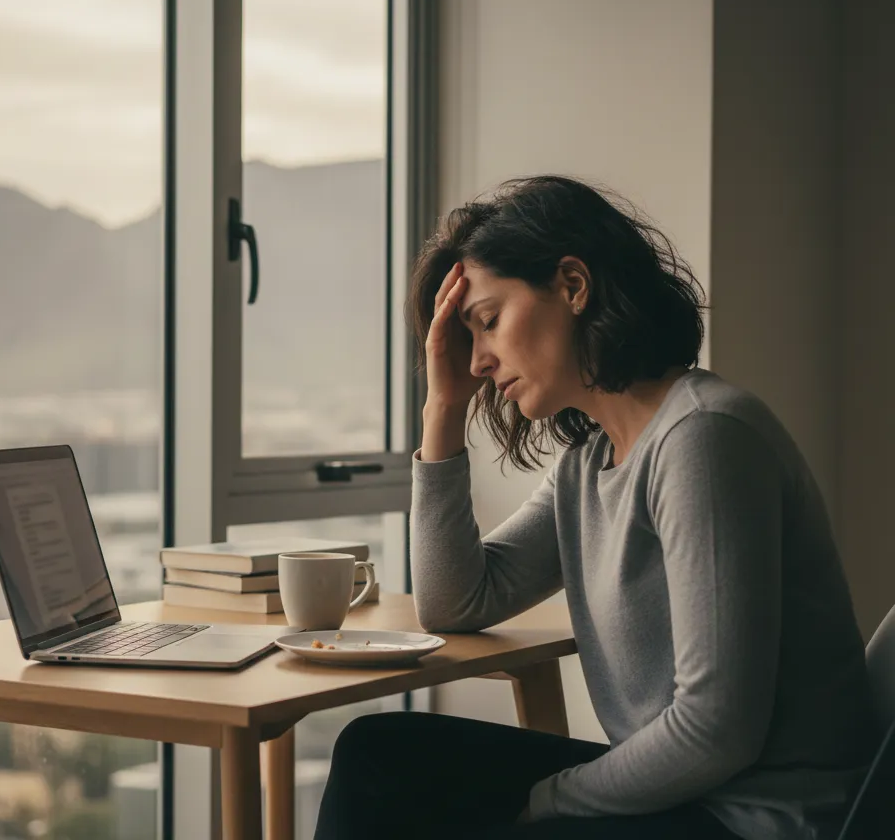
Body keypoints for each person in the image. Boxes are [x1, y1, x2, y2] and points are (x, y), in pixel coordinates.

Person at [313, 177, 879, 840]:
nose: (481, 361)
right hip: (690, 799)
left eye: (489, 322)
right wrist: (444, 408)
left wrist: (546, 801)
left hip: (754, 820)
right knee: (380, 754)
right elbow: (455, 602)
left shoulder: (702, 438)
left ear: (573, 286)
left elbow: (716, 731)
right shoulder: (589, 463)